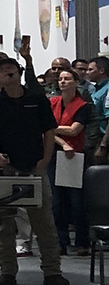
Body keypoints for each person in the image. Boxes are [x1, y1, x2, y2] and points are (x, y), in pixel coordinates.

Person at [0, 57, 70, 285]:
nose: (8, 73)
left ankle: (52, 272)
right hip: (4, 171)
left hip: (33, 168)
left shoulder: (36, 99)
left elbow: (49, 131)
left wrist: (46, 159)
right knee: (3, 226)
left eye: (12, 69)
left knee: (44, 224)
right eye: (3, 71)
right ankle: (7, 271)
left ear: (19, 73)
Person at [48, 69, 92, 257]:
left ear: (76, 82)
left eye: (67, 79)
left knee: (76, 201)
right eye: (60, 79)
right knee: (56, 202)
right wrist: (62, 141)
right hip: (54, 153)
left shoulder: (83, 106)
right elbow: (46, 131)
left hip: (74, 156)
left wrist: (52, 129)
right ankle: (61, 241)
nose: (63, 82)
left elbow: (74, 130)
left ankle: (82, 241)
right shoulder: (52, 103)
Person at [86, 56, 109, 164]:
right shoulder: (95, 89)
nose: (87, 72)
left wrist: (103, 146)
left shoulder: (107, 89)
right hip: (93, 138)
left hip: (103, 138)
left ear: (101, 71)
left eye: (90, 69)